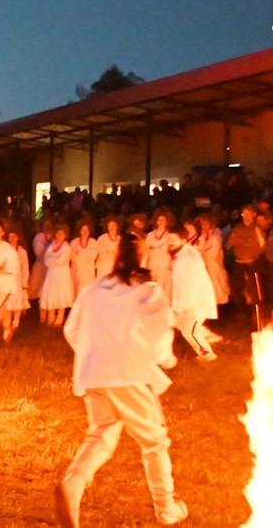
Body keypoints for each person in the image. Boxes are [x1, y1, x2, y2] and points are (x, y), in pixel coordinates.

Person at [57, 235, 187, 528]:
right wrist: (164, 358)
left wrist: (93, 355)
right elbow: (159, 330)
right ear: (143, 258)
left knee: (101, 435)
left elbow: (73, 328)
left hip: (94, 374)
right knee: (154, 441)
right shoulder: (148, 290)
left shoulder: (93, 290)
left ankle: (72, 484)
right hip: (128, 374)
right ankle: (167, 508)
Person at [168, 226, 219, 361]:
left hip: (194, 302)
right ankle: (211, 340)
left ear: (183, 240)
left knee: (190, 331)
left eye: (173, 239)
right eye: (169, 239)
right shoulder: (187, 253)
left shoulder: (184, 260)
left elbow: (187, 286)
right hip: (196, 300)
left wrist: (180, 307)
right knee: (186, 327)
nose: (170, 242)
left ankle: (207, 354)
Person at [225, 204, 267, 327]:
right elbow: (229, 244)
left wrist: (240, 240)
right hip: (239, 263)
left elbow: (259, 246)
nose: (245, 216)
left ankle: (258, 313)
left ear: (254, 215)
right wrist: (246, 241)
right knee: (237, 290)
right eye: (243, 213)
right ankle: (243, 312)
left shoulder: (257, 229)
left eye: (247, 213)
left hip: (253, 263)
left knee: (255, 290)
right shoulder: (238, 227)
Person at [39, 225, 74, 327]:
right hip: (51, 274)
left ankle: (60, 317)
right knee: (50, 294)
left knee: (61, 294)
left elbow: (62, 261)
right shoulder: (51, 246)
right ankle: (51, 317)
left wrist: (53, 260)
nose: (59, 235)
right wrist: (54, 260)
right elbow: (46, 260)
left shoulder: (67, 247)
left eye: (61, 233)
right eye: (57, 233)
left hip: (62, 274)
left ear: (65, 235)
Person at [196, 213, 230, 307]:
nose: (203, 225)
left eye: (205, 222)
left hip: (214, 264)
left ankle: (218, 307)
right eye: (202, 223)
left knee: (216, 285)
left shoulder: (216, 233)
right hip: (205, 266)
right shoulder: (202, 235)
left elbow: (213, 250)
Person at [145, 210, 174, 299]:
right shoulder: (150, 235)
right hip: (152, 263)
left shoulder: (170, 235)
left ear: (167, 222)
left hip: (164, 263)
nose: (161, 222)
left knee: (163, 284)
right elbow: (146, 249)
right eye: (159, 220)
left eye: (163, 220)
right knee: (153, 283)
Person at [28, 220, 54, 301]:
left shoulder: (55, 238)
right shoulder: (39, 237)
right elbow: (38, 252)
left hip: (50, 267)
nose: (47, 228)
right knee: (36, 289)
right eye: (45, 226)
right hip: (40, 266)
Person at [70, 221, 98, 295]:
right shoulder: (74, 242)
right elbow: (72, 257)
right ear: (80, 231)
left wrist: (80, 253)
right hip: (77, 272)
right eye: (83, 230)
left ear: (89, 231)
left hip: (88, 272)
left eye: (87, 230)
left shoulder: (93, 242)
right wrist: (85, 254)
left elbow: (93, 256)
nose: (85, 232)